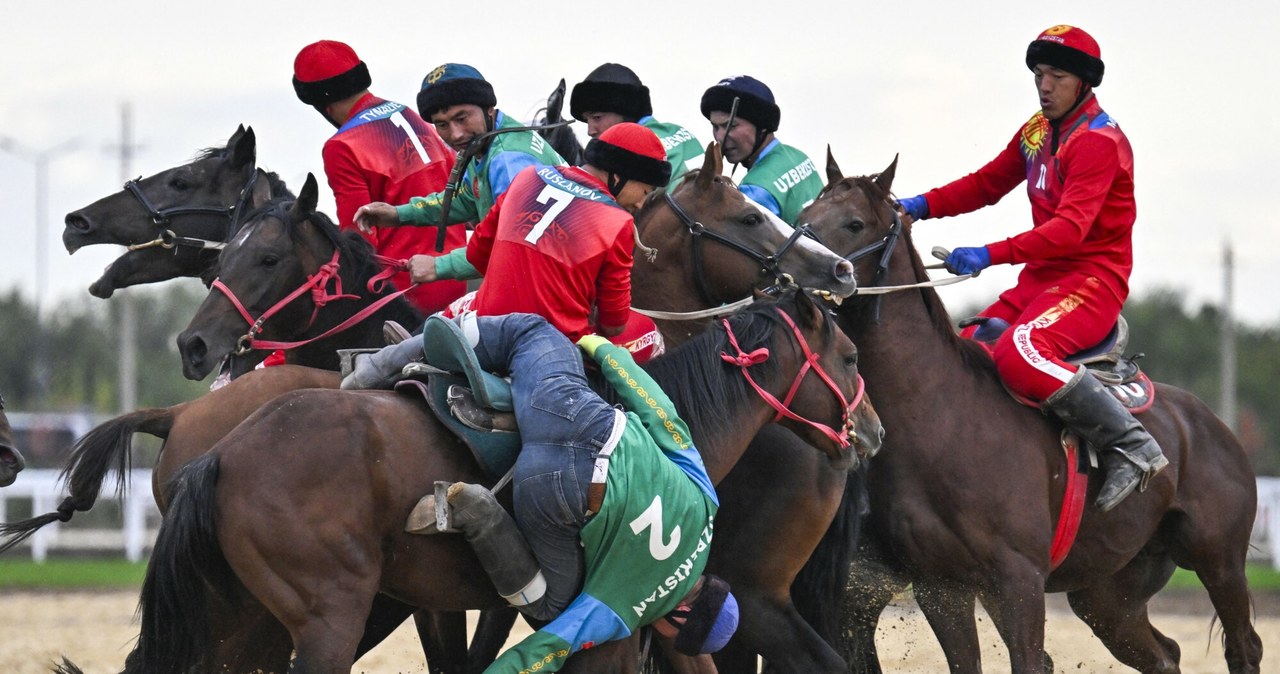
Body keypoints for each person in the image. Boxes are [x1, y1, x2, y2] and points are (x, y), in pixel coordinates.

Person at [894, 25, 1167, 512]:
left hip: (1092, 284)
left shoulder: (1100, 142)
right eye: (1039, 74)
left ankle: (1132, 445)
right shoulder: (1037, 130)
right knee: (965, 350)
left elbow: (1069, 231)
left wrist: (987, 253)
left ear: (1084, 82)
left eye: (1057, 76)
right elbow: (985, 184)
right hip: (1042, 281)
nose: (1043, 86)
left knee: (1017, 354)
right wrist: (919, 204)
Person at [414, 311, 739, 672]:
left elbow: (659, 412)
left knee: (532, 330)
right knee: (549, 607)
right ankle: (481, 514)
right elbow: (548, 648)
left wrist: (604, 351)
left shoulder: (709, 503)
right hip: (545, 486)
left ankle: (407, 352)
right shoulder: (626, 610)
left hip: (580, 415)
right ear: (679, 619)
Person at [340, 121, 671, 391]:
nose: (641, 204)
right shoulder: (619, 222)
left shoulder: (526, 177)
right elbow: (613, 322)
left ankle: (398, 356)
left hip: (482, 324)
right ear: (618, 175)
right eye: (643, 192)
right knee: (647, 333)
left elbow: (479, 255)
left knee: (464, 307)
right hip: (548, 344)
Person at [291, 39, 465, 315]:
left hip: (405, 295)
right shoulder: (407, 113)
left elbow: (358, 243)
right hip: (458, 277)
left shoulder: (342, 145)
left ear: (321, 105)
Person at [353, 63, 565, 233]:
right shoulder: (489, 137)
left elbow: (510, 245)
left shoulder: (507, 160)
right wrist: (398, 214)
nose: (455, 134)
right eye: (442, 125)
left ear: (488, 108)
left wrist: (438, 266)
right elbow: (466, 199)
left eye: (462, 118)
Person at [700, 75, 823, 225]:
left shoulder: (754, 192)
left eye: (731, 126)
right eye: (715, 127)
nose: (720, 137)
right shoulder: (798, 156)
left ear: (762, 125)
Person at [569, 63, 704, 190]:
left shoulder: (630, 152)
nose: (590, 131)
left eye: (597, 117)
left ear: (626, 111)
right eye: (587, 121)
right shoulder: (679, 131)